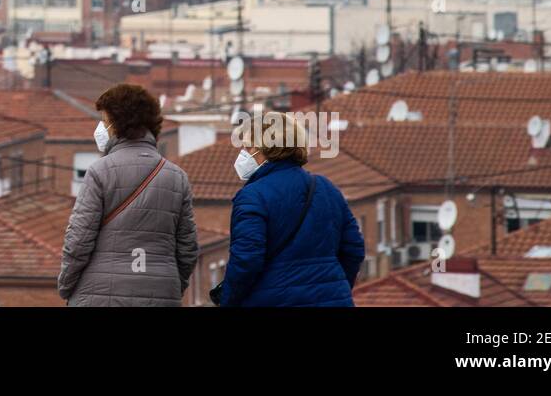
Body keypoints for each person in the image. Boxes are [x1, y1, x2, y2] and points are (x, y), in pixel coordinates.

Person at [58, 83, 199, 306]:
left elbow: (78, 241)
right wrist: (169, 285)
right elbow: (188, 249)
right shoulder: (177, 177)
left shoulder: (99, 172)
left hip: (100, 295)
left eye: (104, 122)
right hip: (162, 294)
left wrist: (66, 285)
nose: (101, 129)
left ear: (118, 125)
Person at [213, 111, 365, 307]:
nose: (243, 152)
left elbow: (246, 260)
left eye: (248, 146)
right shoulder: (326, 188)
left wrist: (228, 300)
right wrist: (335, 286)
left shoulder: (253, 196)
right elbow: (353, 249)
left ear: (266, 149)